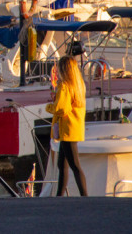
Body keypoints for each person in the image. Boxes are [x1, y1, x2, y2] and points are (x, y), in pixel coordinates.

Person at [46, 56, 88, 196]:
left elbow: (61, 108)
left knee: (74, 165)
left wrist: (49, 107)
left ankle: (84, 195)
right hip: (74, 127)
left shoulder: (64, 86)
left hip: (66, 128)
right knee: (62, 164)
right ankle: (59, 195)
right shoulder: (79, 84)